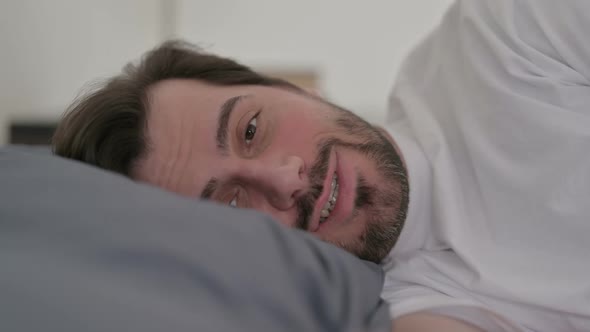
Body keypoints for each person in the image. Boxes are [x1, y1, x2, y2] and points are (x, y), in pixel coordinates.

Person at [52, 0, 590, 331]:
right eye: (232, 204)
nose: (286, 180)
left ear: (289, 87)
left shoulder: (506, 38)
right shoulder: (409, 304)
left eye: (251, 130)